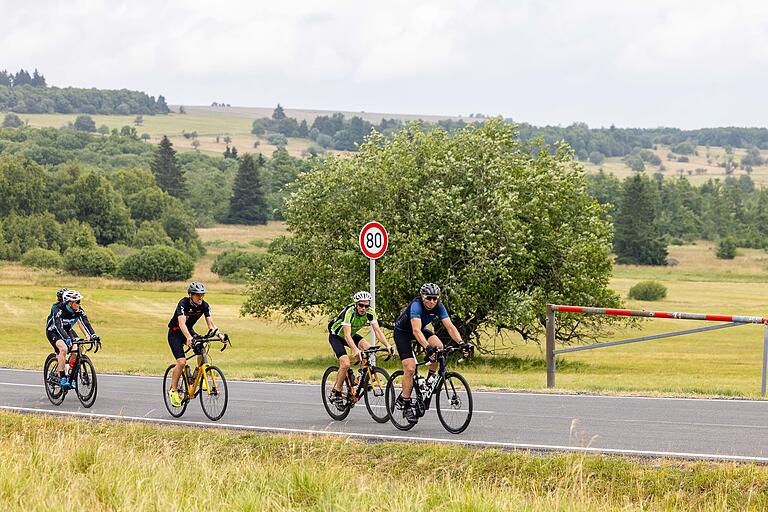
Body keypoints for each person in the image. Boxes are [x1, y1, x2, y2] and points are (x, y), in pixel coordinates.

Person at [392, 283, 466, 423]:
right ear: (422, 297)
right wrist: (427, 347)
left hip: (420, 330)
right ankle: (406, 404)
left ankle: (430, 380)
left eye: (435, 298)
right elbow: (416, 331)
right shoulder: (416, 306)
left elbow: (450, 326)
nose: (432, 301)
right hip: (403, 333)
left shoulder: (438, 306)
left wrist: (461, 343)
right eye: (429, 298)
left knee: (439, 347)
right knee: (410, 368)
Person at [327, 291, 394, 405]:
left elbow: (377, 330)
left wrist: (387, 345)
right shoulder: (350, 312)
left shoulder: (370, 313)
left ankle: (359, 378)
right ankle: (337, 392)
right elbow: (346, 335)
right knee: (345, 363)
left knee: (368, 349)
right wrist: (355, 349)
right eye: (361, 305)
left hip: (351, 335)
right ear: (356, 304)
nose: (363, 308)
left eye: (366, 306)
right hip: (337, 336)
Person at [167, 282, 223, 407]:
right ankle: (174, 390)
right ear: (190, 295)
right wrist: (188, 338)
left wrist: (220, 335)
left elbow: (211, 325)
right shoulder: (183, 304)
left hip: (189, 331)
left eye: (202, 295)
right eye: (197, 295)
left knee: (202, 351)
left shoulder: (204, 306)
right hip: (175, 333)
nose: (200, 297)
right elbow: (181, 324)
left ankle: (199, 375)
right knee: (181, 362)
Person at [45, 289, 98, 389]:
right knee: (64, 348)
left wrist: (93, 335)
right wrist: (67, 339)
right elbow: (58, 326)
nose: (79, 304)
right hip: (54, 331)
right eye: (77, 302)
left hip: (67, 330)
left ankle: (71, 375)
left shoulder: (78, 310)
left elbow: (85, 323)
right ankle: (62, 377)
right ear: (70, 303)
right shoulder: (58, 309)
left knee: (76, 350)